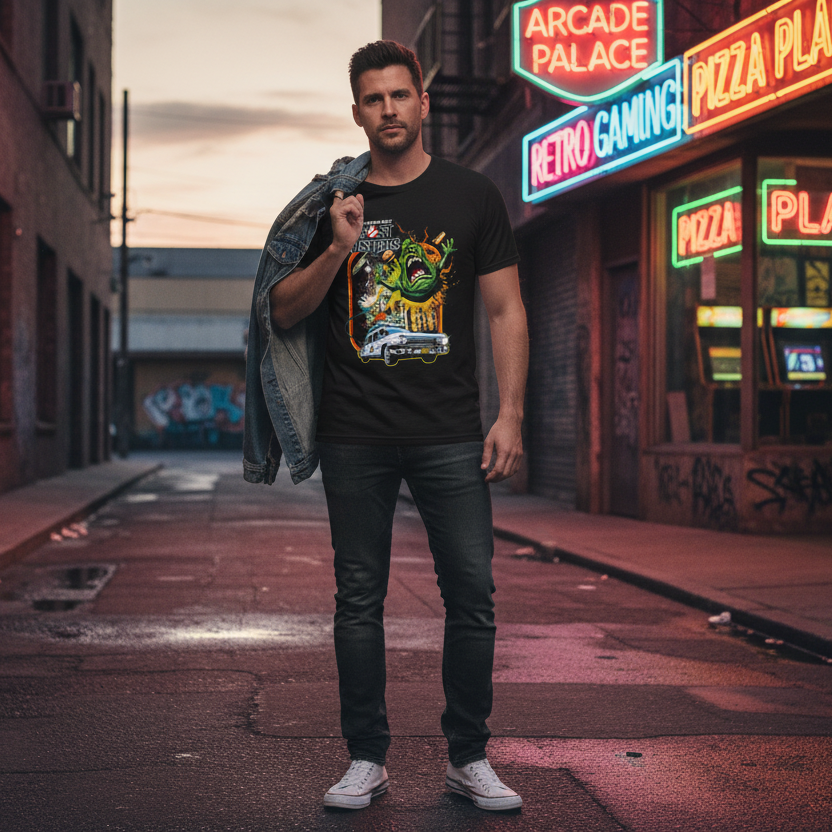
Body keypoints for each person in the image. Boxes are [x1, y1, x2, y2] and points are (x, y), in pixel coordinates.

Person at [245, 40, 528, 812]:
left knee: (472, 593)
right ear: (357, 111)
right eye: (374, 100)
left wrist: (510, 412)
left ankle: (467, 757)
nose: (389, 110)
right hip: (354, 433)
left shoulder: (472, 197)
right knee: (358, 597)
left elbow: (505, 307)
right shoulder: (331, 206)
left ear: (423, 102)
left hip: (449, 432)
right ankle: (366, 757)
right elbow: (281, 311)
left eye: (401, 95)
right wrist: (339, 248)